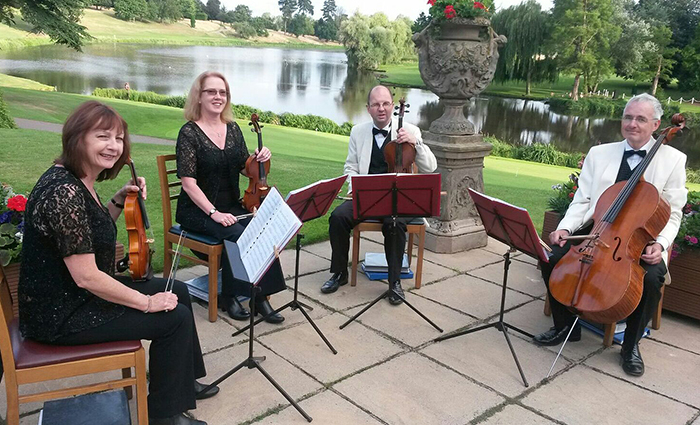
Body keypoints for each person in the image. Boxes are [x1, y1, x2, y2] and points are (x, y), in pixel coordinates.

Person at [18, 101, 217, 425]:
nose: (113, 146)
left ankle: (182, 382)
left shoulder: (76, 178)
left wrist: (118, 199)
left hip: (75, 296)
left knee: (178, 289)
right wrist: (147, 303)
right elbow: (87, 277)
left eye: (119, 138)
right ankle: (163, 416)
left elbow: (88, 233)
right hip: (62, 313)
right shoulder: (64, 191)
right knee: (174, 318)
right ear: (77, 138)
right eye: (102, 136)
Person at [536, 93, 687, 377]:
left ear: (656, 124)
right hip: (598, 227)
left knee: (652, 278)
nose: (632, 124)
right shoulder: (600, 153)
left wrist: (661, 243)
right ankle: (565, 326)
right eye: (628, 117)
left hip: (642, 237)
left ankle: (630, 346)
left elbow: (674, 211)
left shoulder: (673, 160)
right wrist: (566, 228)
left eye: (641, 119)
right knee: (551, 257)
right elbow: (583, 199)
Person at [176, 71, 285, 323]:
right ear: (199, 97)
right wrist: (214, 213)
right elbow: (189, 184)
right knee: (238, 234)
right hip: (198, 210)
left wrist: (259, 160)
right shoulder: (189, 133)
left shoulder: (233, 129)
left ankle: (261, 297)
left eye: (222, 92)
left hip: (231, 205)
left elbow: (245, 168)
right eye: (211, 92)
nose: (218, 97)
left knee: (263, 231)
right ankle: (230, 295)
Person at [321, 85, 437, 304]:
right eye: (376, 104)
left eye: (385, 104)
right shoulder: (358, 132)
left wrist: (416, 142)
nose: (381, 108)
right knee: (338, 217)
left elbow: (430, 167)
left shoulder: (410, 130)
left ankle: (394, 283)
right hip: (367, 197)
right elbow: (350, 167)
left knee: (393, 224)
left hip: (398, 201)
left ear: (393, 106)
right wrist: (353, 187)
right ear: (368, 108)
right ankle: (339, 273)